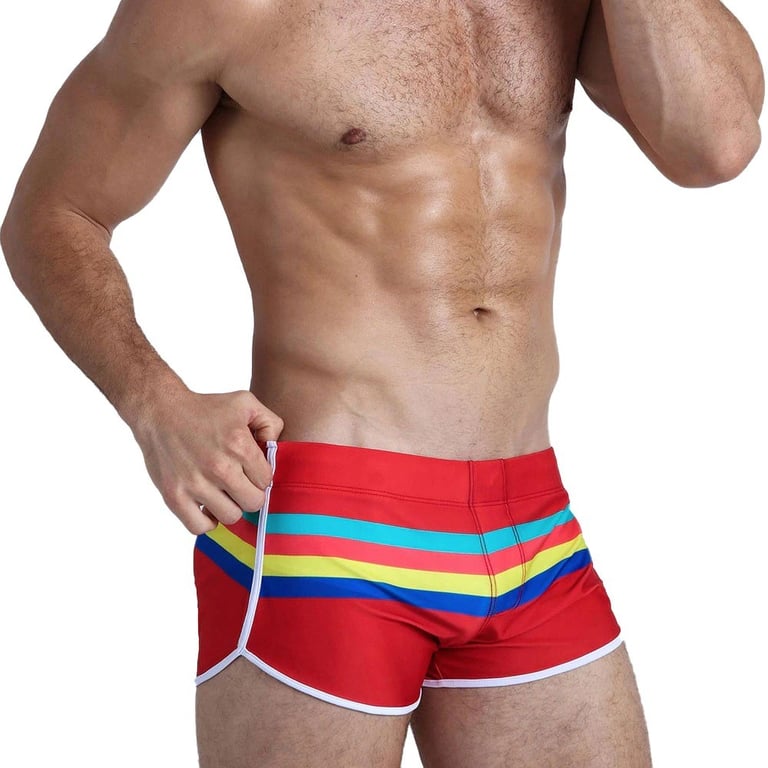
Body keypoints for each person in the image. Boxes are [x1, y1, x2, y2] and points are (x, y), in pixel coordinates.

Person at [1, 0, 763, 766]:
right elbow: (53, 212)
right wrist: (153, 402)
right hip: (328, 525)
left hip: (531, 524)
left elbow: (718, 146)